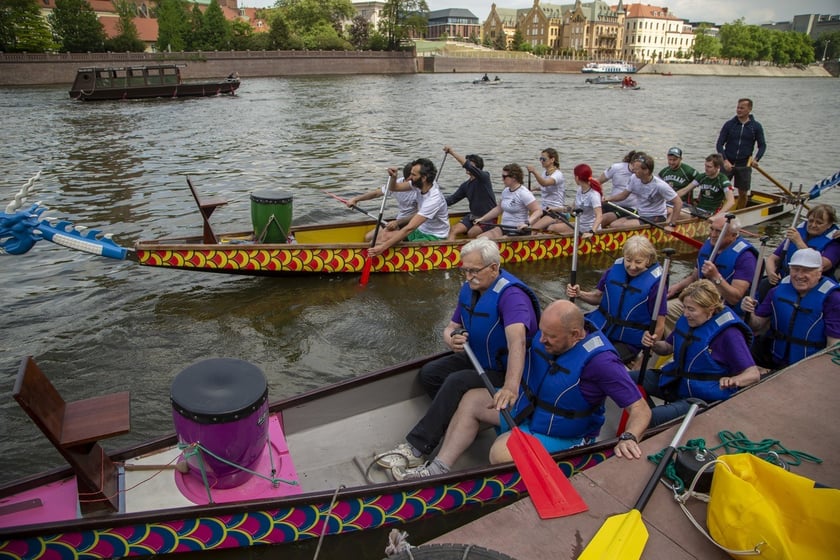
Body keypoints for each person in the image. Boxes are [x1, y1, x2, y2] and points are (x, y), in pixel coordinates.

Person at [392, 300, 651, 479]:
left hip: (564, 433)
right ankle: (439, 468)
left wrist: (630, 437)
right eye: (543, 332)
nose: (541, 340)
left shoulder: (602, 362)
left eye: (551, 337)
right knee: (472, 399)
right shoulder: (545, 336)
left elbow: (640, 409)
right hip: (527, 411)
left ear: (576, 335)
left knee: (500, 452)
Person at [375, 238, 541, 470]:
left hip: (505, 370)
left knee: (456, 382)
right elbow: (451, 327)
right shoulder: (471, 289)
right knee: (430, 373)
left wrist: (510, 388)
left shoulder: (512, 297)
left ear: (494, 268)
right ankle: (459, 420)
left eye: (474, 270)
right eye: (464, 270)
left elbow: (518, 343)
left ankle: (417, 449)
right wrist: (451, 339)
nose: (468, 276)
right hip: (478, 359)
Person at [635, 279, 760, 427]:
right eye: (685, 308)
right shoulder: (687, 320)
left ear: (710, 309)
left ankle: (649, 422)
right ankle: (647, 417)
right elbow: (667, 347)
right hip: (675, 382)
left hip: (700, 397)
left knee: (649, 417)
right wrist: (653, 344)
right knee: (623, 380)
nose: (686, 314)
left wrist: (734, 380)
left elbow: (753, 374)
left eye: (692, 309)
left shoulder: (730, 334)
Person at [566, 235, 667, 366]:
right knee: (571, 345)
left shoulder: (656, 285)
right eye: (628, 260)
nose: (632, 266)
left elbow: (659, 326)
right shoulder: (615, 269)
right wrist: (579, 294)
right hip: (601, 328)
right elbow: (599, 297)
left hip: (628, 342)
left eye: (638, 262)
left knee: (598, 362)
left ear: (648, 260)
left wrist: (645, 357)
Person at [742, 248, 840, 369]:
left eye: (806, 270)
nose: (799, 275)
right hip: (774, 357)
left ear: (819, 272)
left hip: (809, 365)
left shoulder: (833, 299)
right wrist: (749, 312)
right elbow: (757, 326)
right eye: (795, 269)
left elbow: (833, 345)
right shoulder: (776, 291)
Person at [666, 214, 757, 332]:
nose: (713, 235)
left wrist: (715, 277)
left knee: (695, 316)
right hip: (698, 300)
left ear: (733, 236)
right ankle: (675, 344)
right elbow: (695, 276)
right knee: (666, 309)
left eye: (718, 232)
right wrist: (677, 287)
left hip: (722, 307)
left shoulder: (746, 258)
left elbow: (735, 298)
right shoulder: (709, 245)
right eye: (712, 229)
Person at [368, 158, 449, 256]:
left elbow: (409, 228)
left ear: (424, 178)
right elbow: (394, 188)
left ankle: (379, 254)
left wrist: (382, 247)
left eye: (413, 175)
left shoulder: (434, 199)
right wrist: (394, 177)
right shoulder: (419, 184)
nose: (409, 177)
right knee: (385, 234)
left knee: (383, 241)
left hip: (434, 236)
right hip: (421, 230)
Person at [764, 204, 840, 285]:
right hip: (785, 279)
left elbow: (821, 265)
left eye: (819, 223)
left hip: (811, 285)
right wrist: (771, 272)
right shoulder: (798, 232)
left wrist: (798, 242)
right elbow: (772, 258)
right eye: (811, 221)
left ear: (829, 224)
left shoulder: (834, 243)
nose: (813, 225)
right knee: (763, 286)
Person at [604, 153, 682, 229]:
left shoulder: (660, 185)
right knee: (614, 224)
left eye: (637, 169)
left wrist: (671, 224)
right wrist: (608, 198)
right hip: (640, 214)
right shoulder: (634, 178)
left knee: (620, 226)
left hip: (656, 216)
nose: (634, 170)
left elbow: (678, 202)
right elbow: (623, 195)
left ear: (646, 171)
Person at [716, 98, 766, 210]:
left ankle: (739, 213)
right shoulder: (729, 125)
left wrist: (756, 159)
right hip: (728, 163)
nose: (738, 110)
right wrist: (725, 160)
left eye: (742, 108)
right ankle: (718, 211)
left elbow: (762, 145)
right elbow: (719, 144)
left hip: (744, 165)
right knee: (720, 190)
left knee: (743, 193)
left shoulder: (756, 127)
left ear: (749, 109)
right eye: (738, 107)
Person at [347, 162, 418, 242]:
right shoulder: (397, 183)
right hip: (398, 221)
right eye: (410, 180)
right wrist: (356, 199)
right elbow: (376, 193)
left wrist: (397, 223)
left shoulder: (419, 187)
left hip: (411, 224)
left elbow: (420, 214)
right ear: (407, 178)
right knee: (368, 237)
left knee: (374, 242)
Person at [473, 164, 542, 239]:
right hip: (503, 228)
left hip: (518, 230)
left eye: (504, 177)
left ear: (514, 178)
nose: (502, 179)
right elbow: (498, 209)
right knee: (480, 238)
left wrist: (527, 223)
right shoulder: (506, 191)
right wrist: (482, 219)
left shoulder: (524, 193)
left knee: (499, 241)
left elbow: (538, 210)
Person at [442, 146, 497, 241]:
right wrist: (434, 203)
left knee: (471, 233)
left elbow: (467, 165)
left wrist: (452, 152)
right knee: (453, 229)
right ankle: (449, 252)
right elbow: (451, 200)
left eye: (472, 164)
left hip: (488, 218)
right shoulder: (465, 185)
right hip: (473, 217)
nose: (467, 166)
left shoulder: (484, 177)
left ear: (477, 168)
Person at [544, 163, 603, 236]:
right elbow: (571, 209)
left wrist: (592, 232)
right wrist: (554, 209)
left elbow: (599, 216)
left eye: (574, 176)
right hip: (579, 225)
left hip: (589, 229)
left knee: (553, 230)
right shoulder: (580, 190)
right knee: (552, 228)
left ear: (577, 178)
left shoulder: (594, 195)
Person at [676, 153, 736, 218]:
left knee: (678, 214)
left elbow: (731, 201)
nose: (706, 169)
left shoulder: (723, 180)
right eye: (705, 166)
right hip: (698, 210)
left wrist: (716, 216)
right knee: (672, 210)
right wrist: (669, 197)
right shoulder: (702, 177)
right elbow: (685, 190)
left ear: (718, 167)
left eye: (709, 167)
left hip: (711, 213)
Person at [526, 148, 567, 232]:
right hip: (544, 209)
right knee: (527, 227)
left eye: (544, 159)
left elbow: (545, 183)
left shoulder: (558, 175)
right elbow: (544, 187)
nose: (541, 161)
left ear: (552, 160)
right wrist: (532, 189)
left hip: (555, 212)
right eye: (540, 159)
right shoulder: (545, 172)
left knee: (533, 230)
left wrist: (534, 172)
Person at [598, 150, 640, 228]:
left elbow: (623, 196)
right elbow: (597, 182)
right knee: (590, 213)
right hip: (612, 204)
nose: (636, 170)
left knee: (603, 218)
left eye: (639, 167)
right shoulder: (616, 168)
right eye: (634, 166)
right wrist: (602, 196)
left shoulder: (640, 175)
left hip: (629, 209)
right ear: (631, 162)